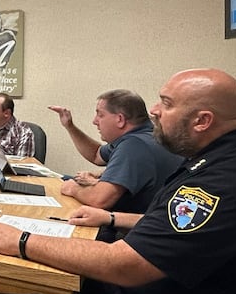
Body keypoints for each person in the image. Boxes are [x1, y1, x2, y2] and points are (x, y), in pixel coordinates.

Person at [0, 69, 236, 294]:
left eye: (167, 103)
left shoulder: (225, 180)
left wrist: (22, 240)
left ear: (202, 121)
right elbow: (175, 222)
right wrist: (112, 217)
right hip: (162, 289)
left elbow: (126, 265)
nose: (155, 110)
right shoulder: (220, 157)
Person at [48, 90, 181, 216]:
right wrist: (70, 126)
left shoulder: (134, 145)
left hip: (132, 230)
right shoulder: (145, 135)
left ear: (120, 119)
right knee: (58, 179)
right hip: (146, 221)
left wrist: (73, 188)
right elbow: (96, 155)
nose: (95, 121)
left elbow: (100, 200)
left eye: (100, 115)